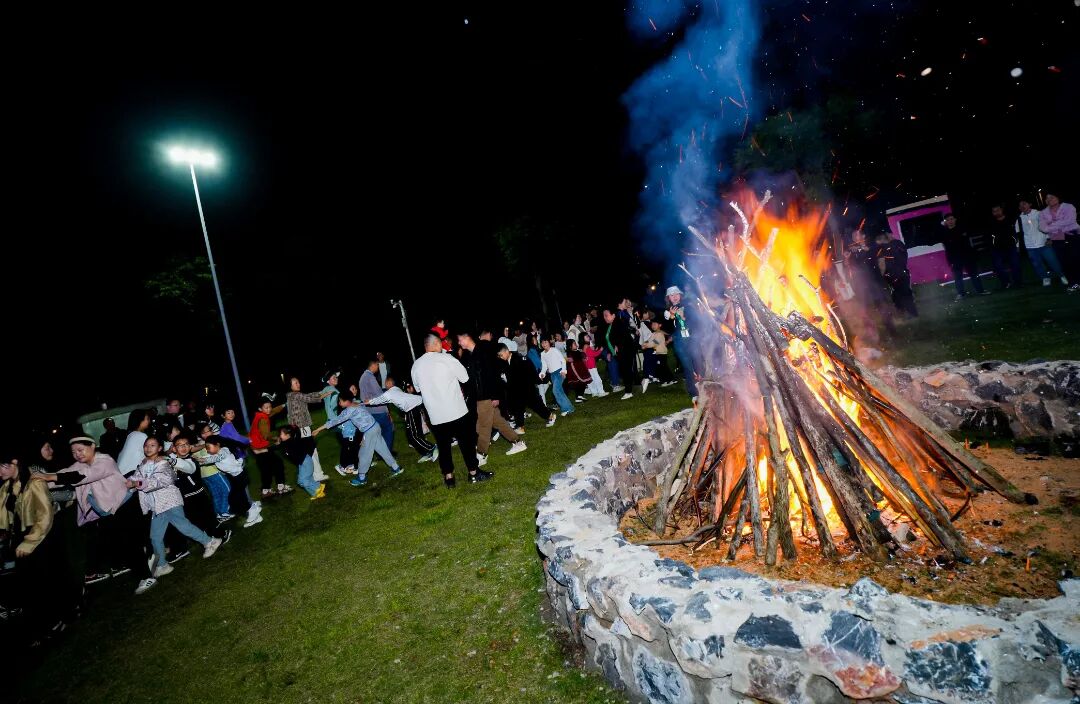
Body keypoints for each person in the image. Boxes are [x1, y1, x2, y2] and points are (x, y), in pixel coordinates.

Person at [38, 437, 156, 595]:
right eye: (74, 452)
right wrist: (39, 483)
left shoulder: (104, 461)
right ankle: (146, 559)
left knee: (130, 543)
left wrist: (50, 477)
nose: (77, 454)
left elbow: (83, 476)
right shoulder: (80, 465)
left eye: (80, 450)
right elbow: (64, 474)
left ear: (92, 446)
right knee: (121, 543)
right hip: (108, 511)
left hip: (124, 505)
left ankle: (147, 576)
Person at [129, 436, 222, 578]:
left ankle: (210, 541)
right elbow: (136, 477)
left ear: (159, 448)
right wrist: (128, 483)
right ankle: (162, 565)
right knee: (155, 537)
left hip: (170, 501)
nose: (148, 448)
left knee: (184, 526)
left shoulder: (163, 463)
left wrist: (137, 484)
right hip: (158, 506)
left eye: (153, 445)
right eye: (146, 445)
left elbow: (159, 481)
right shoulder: (144, 464)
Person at [410, 334, 493, 488]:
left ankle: (449, 478)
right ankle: (473, 473)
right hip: (456, 411)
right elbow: (465, 378)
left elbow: (418, 389)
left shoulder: (416, 365)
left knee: (443, 446)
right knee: (466, 443)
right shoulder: (447, 359)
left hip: (435, 415)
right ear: (436, 344)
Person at [0, 450, 63, 643]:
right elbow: (5, 516)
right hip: (20, 538)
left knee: (42, 583)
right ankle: (40, 628)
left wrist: (29, 542)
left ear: (14, 463)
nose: (0, 472)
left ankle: (53, 623)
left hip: (38, 538)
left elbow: (45, 516)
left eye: (2, 467)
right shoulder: (7, 487)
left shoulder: (34, 482)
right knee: (29, 587)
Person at [458, 332, 527, 460]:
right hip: (481, 396)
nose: (459, 343)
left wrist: (495, 396)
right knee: (498, 422)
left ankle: (481, 454)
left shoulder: (482, 353)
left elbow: (492, 374)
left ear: (467, 338)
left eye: (460, 340)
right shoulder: (472, 355)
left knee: (483, 426)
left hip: (486, 396)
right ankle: (518, 442)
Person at [314, 390, 402, 487]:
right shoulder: (357, 403)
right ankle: (396, 468)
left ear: (346, 401)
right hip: (375, 426)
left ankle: (361, 478)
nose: (339, 403)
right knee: (382, 448)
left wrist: (318, 429)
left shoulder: (348, 411)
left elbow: (334, 421)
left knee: (363, 454)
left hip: (369, 431)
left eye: (340, 401)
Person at [365, 376, 437, 462]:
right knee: (414, 435)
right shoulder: (396, 389)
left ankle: (432, 448)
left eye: (385, 383)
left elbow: (380, 399)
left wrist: (369, 402)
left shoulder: (390, 393)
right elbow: (387, 400)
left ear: (389, 383)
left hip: (412, 409)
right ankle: (427, 453)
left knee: (413, 436)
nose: (385, 385)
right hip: (415, 408)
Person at [200, 435, 263, 528]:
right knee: (234, 497)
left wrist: (203, 461)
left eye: (208, 447)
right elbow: (211, 456)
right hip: (236, 477)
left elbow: (216, 458)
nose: (207, 450)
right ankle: (253, 509)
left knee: (240, 497)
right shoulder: (217, 453)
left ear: (217, 444)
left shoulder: (223, 451)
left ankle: (254, 513)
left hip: (240, 476)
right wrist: (201, 459)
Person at [496, 343, 556, 430]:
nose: (501, 357)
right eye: (499, 356)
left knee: (536, 405)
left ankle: (550, 416)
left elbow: (530, 370)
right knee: (518, 408)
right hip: (516, 390)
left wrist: (536, 380)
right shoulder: (505, 362)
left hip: (527, 388)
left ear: (506, 351)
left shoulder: (520, 359)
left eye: (501, 355)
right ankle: (520, 426)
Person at [285, 377, 330, 483]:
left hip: (298, 428)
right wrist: (323, 395)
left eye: (298, 382)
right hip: (303, 427)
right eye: (295, 383)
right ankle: (317, 475)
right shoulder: (296, 395)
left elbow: (308, 395)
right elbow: (309, 399)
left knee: (306, 451)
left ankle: (310, 474)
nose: (298, 384)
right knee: (312, 450)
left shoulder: (292, 396)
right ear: (290, 386)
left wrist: (320, 392)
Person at [1016, 199, 1068, 287]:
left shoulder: (1039, 214)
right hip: (1030, 246)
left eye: (1024, 204)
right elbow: (1018, 234)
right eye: (1020, 205)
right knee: (1037, 264)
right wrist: (1018, 246)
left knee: (1053, 261)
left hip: (1044, 243)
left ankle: (1061, 275)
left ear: (1030, 204)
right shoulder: (1019, 219)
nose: (1022, 206)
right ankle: (1045, 277)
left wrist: (1049, 238)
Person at [664, 286, 700, 399]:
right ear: (668, 298)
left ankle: (702, 386)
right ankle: (694, 393)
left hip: (692, 338)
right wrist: (672, 315)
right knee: (687, 366)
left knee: (698, 362)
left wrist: (684, 318)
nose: (674, 297)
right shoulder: (667, 311)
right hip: (679, 341)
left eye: (676, 294)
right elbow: (668, 327)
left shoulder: (688, 306)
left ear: (680, 295)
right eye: (671, 295)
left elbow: (695, 321)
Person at [940, 214, 988, 300]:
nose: (950, 221)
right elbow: (946, 248)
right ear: (946, 222)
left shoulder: (962, 229)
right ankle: (961, 293)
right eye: (948, 220)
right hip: (955, 258)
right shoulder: (944, 233)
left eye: (951, 219)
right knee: (958, 277)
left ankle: (980, 290)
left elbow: (969, 242)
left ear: (955, 219)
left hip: (967, 256)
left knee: (974, 274)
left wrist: (972, 255)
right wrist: (950, 260)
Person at [1039, 191, 1080, 291]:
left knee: (1076, 260)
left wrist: (1051, 225)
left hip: (1071, 236)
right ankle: (1073, 283)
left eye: (1052, 197)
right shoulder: (1043, 212)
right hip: (1056, 240)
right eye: (1047, 198)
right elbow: (1042, 228)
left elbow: (1070, 220)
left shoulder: (1068, 207)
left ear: (1058, 197)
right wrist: (1059, 224)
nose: (1049, 200)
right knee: (1064, 263)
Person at [249, 396, 290, 498]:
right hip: (260, 447)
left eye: (269, 406)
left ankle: (266, 490)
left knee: (267, 468)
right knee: (277, 464)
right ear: (260, 408)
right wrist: (276, 438)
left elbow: (274, 411)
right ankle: (279, 487)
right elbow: (266, 435)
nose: (269, 409)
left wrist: (284, 405)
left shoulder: (260, 414)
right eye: (266, 407)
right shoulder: (263, 419)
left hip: (257, 446)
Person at [192, 423, 233, 522]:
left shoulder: (196, 446)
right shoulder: (207, 444)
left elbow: (194, 456)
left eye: (209, 430)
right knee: (227, 489)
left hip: (204, 475)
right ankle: (224, 511)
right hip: (214, 472)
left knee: (215, 493)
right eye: (205, 432)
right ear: (200, 434)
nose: (209, 432)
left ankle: (219, 514)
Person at [874, 232, 918, 317]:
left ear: (881, 240)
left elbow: (882, 265)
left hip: (894, 275)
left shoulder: (883, 249)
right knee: (904, 293)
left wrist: (881, 277)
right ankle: (908, 312)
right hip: (903, 273)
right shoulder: (898, 243)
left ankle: (908, 313)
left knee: (900, 294)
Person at [277, 425, 325, 500]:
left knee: (304, 481)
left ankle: (318, 492)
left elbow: (306, 440)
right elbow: (277, 446)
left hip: (306, 461)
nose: (280, 436)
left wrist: (311, 435)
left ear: (288, 435)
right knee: (301, 481)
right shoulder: (285, 443)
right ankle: (318, 487)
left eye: (281, 434)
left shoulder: (294, 441)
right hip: (302, 464)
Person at [603, 307, 641, 399]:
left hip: (625, 350)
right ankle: (631, 388)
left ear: (613, 315)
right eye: (604, 316)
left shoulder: (618, 323)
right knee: (624, 370)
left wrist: (617, 344)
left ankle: (628, 391)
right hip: (619, 352)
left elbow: (623, 334)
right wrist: (610, 351)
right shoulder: (611, 325)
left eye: (606, 315)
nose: (604, 317)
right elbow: (610, 340)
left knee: (626, 370)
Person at [360, 361, 396, 456]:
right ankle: (387, 453)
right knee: (388, 429)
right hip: (378, 409)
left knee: (377, 433)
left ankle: (380, 453)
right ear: (372, 365)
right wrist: (387, 410)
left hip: (369, 410)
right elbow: (379, 394)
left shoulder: (363, 377)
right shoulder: (370, 377)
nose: (378, 367)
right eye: (377, 365)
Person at [988, 205, 1023, 290]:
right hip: (997, 249)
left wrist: (1017, 245)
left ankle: (1018, 282)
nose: (996, 212)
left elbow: (1017, 233)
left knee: (1015, 265)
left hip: (1011, 246)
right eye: (994, 211)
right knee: (998, 266)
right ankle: (1006, 282)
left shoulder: (1011, 219)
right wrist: (992, 247)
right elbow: (989, 237)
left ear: (1002, 210)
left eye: (998, 210)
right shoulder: (991, 223)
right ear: (992, 213)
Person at [540, 337, 575, 415]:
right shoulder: (542, 354)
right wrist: (542, 373)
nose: (544, 344)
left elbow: (563, 360)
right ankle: (570, 408)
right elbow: (544, 366)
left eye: (545, 342)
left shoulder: (554, 350)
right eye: (542, 343)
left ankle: (566, 409)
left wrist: (563, 371)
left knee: (555, 391)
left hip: (559, 373)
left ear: (549, 342)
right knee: (560, 391)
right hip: (552, 375)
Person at [116, 408, 152, 477]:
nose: (149, 421)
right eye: (147, 419)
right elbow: (152, 454)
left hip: (121, 474)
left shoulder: (130, 435)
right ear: (140, 421)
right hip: (129, 475)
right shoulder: (141, 436)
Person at [643, 320, 677, 385]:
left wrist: (646, 346)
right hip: (658, 353)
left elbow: (655, 343)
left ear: (660, 325)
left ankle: (667, 380)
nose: (653, 326)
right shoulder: (654, 334)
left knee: (663, 367)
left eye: (655, 324)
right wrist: (645, 343)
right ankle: (670, 379)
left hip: (662, 353)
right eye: (652, 324)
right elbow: (650, 340)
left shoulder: (659, 334)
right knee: (663, 367)